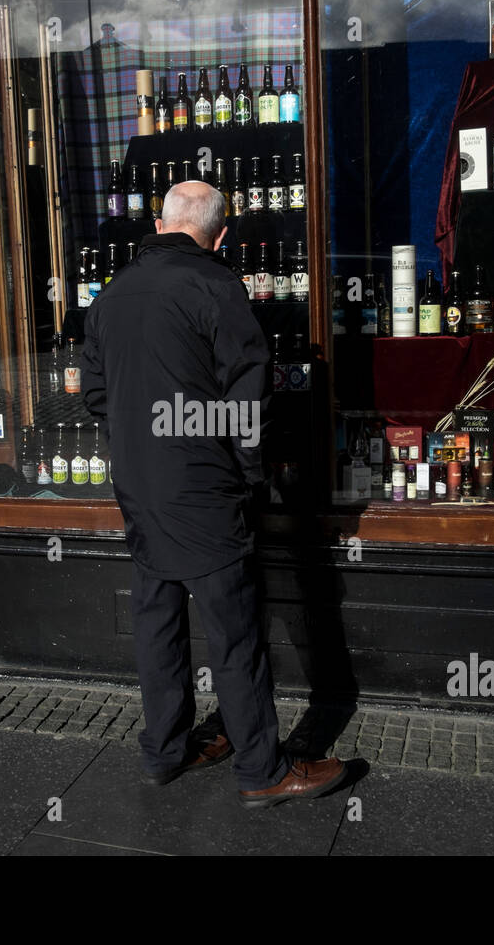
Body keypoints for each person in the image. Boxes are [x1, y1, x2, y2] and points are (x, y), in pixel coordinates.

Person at [79, 180, 348, 808]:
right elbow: (247, 399)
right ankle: (262, 768)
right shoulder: (217, 287)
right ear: (219, 234)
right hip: (202, 486)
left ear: (163, 222)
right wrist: (248, 475)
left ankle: (165, 750)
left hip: (138, 483)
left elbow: (95, 394)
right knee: (233, 631)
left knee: (157, 619)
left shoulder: (113, 294)